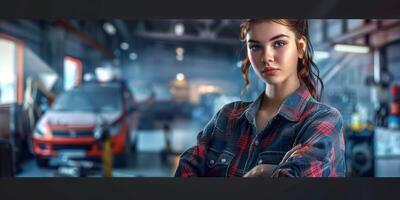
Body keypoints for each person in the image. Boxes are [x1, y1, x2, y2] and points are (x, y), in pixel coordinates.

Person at [174, 19, 346, 177]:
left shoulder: (322, 120)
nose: (266, 57)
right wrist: (271, 171)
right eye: (255, 47)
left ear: (300, 48)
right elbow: (185, 171)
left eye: (279, 43)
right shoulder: (227, 117)